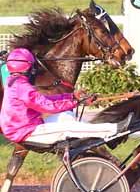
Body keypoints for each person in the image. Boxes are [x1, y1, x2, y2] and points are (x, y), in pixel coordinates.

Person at [0, 48, 131, 145]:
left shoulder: (16, 82)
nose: (35, 70)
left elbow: (46, 100)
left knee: (66, 117)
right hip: (25, 132)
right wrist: (75, 102)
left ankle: (100, 135)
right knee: (69, 127)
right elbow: (48, 106)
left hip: (28, 126)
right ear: (28, 68)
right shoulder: (22, 87)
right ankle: (114, 130)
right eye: (33, 66)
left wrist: (72, 97)